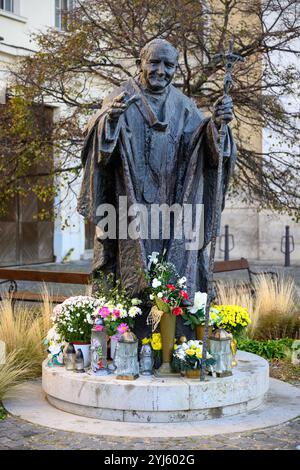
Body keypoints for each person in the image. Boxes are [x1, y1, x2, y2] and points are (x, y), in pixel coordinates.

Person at [78, 39, 236, 338]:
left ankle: (174, 338)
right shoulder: (121, 96)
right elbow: (97, 144)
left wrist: (217, 125)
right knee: (129, 267)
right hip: (128, 204)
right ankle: (125, 333)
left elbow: (204, 149)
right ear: (141, 61)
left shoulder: (184, 107)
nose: (161, 71)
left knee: (172, 267)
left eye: (168, 65)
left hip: (172, 205)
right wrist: (109, 120)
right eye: (154, 62)